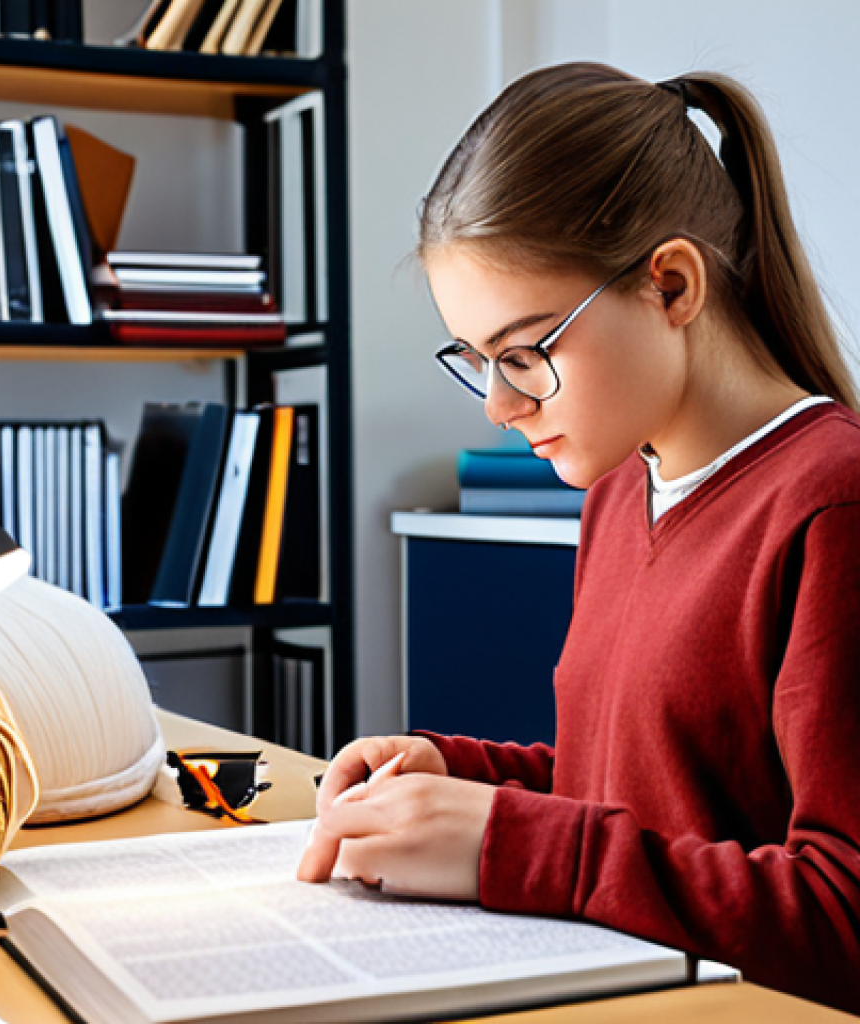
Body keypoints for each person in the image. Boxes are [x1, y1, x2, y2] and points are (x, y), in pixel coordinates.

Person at [296, 62, 860, 1015]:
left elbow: (841, 918)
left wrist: (510, 841)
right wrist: (459, 772)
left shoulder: (830, 505)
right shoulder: (616, 493)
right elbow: (650, 801)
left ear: (671, 285)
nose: (500, 407)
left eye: (526, 353)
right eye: (478, 363)